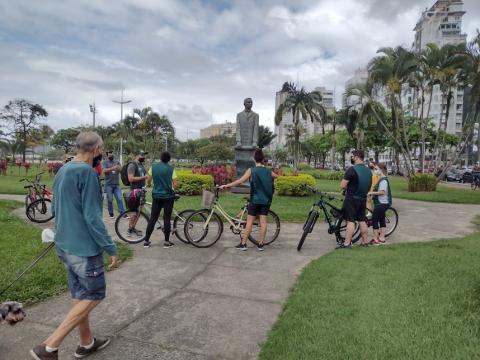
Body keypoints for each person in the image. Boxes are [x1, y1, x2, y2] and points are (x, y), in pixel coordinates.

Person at [30, 132, 118, 360]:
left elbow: (55, 208)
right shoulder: (87, 173)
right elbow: (92, 216)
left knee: (80, 295)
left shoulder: (63, 169)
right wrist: (110, 247)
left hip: (64, 245)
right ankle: (49, 346)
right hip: (84, 249)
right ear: (97, 149)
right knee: (95, 294)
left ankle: (86, 342)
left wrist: (61, 233)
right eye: (102, 148)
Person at [220, 149, 278, 251]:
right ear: (263, 159)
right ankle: (260, 245)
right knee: (263, 222)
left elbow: (240, 181)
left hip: (255, 200)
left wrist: (226, 185)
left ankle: (243, 244)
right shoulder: (269, 171)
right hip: (266, 201)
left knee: (249, 221)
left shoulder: (252, 170)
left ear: (253, 159)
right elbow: (279, 178)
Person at [338, 149, 372, 249]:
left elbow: (342, 185)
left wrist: (346, 187)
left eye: (352, 156)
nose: (351, 158)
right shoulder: (368, 171)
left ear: (356, 157)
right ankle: (365, 242)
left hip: (352, 199)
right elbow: (368, 186)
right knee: (362, 220)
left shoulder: (352, 169)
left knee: (351, 221)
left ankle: (347, 243)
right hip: (362, 199)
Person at [143, 152, 178, 249]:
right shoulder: (171, 169)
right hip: (168, 197)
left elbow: (148, 180)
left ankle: (146, 241)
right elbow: (175, 184)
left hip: (156, 196)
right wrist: (173, 189)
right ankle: (166, 242)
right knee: (167, 218)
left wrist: (150, 185)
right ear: (169, 159)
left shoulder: (153, 167)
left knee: (153, 218)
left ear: (161, 158)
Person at [367, 163, 392, 245]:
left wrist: (372, 192)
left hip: (381, 203)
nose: (375, 171)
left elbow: (382, 192)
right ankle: (382, 238)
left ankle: (375, 239)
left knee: (375, 220)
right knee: (381, 220)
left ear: (381, 170)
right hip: (383, 203)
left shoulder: (383, 180)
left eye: (376, 169)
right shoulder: (382, 179)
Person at [126, 150, 149, 237]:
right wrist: (144, 177)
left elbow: (146, 174)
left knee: (139, 212)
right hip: (134, 192)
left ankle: (132, 228)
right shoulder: (132, 165)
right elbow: (130, 179)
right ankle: (129, 230)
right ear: (136, 155)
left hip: (141, 191)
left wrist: (147, 180)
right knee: (134, 212)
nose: (143, 157)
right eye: (142, 155)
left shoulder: (141, 165)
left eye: (144, 155)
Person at [102, 152, 125, 219]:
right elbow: (104, 170)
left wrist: (119, 168)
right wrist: (113, 168)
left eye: (112, 153)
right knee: (110, 199)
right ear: (107, 155)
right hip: (108, 184)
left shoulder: (117, 161)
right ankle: (111, 213)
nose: (111, 155)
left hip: (116, 184)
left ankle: (122, 213)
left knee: (120, 198)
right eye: (109, 154)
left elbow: (121, 170)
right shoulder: (105, 162)